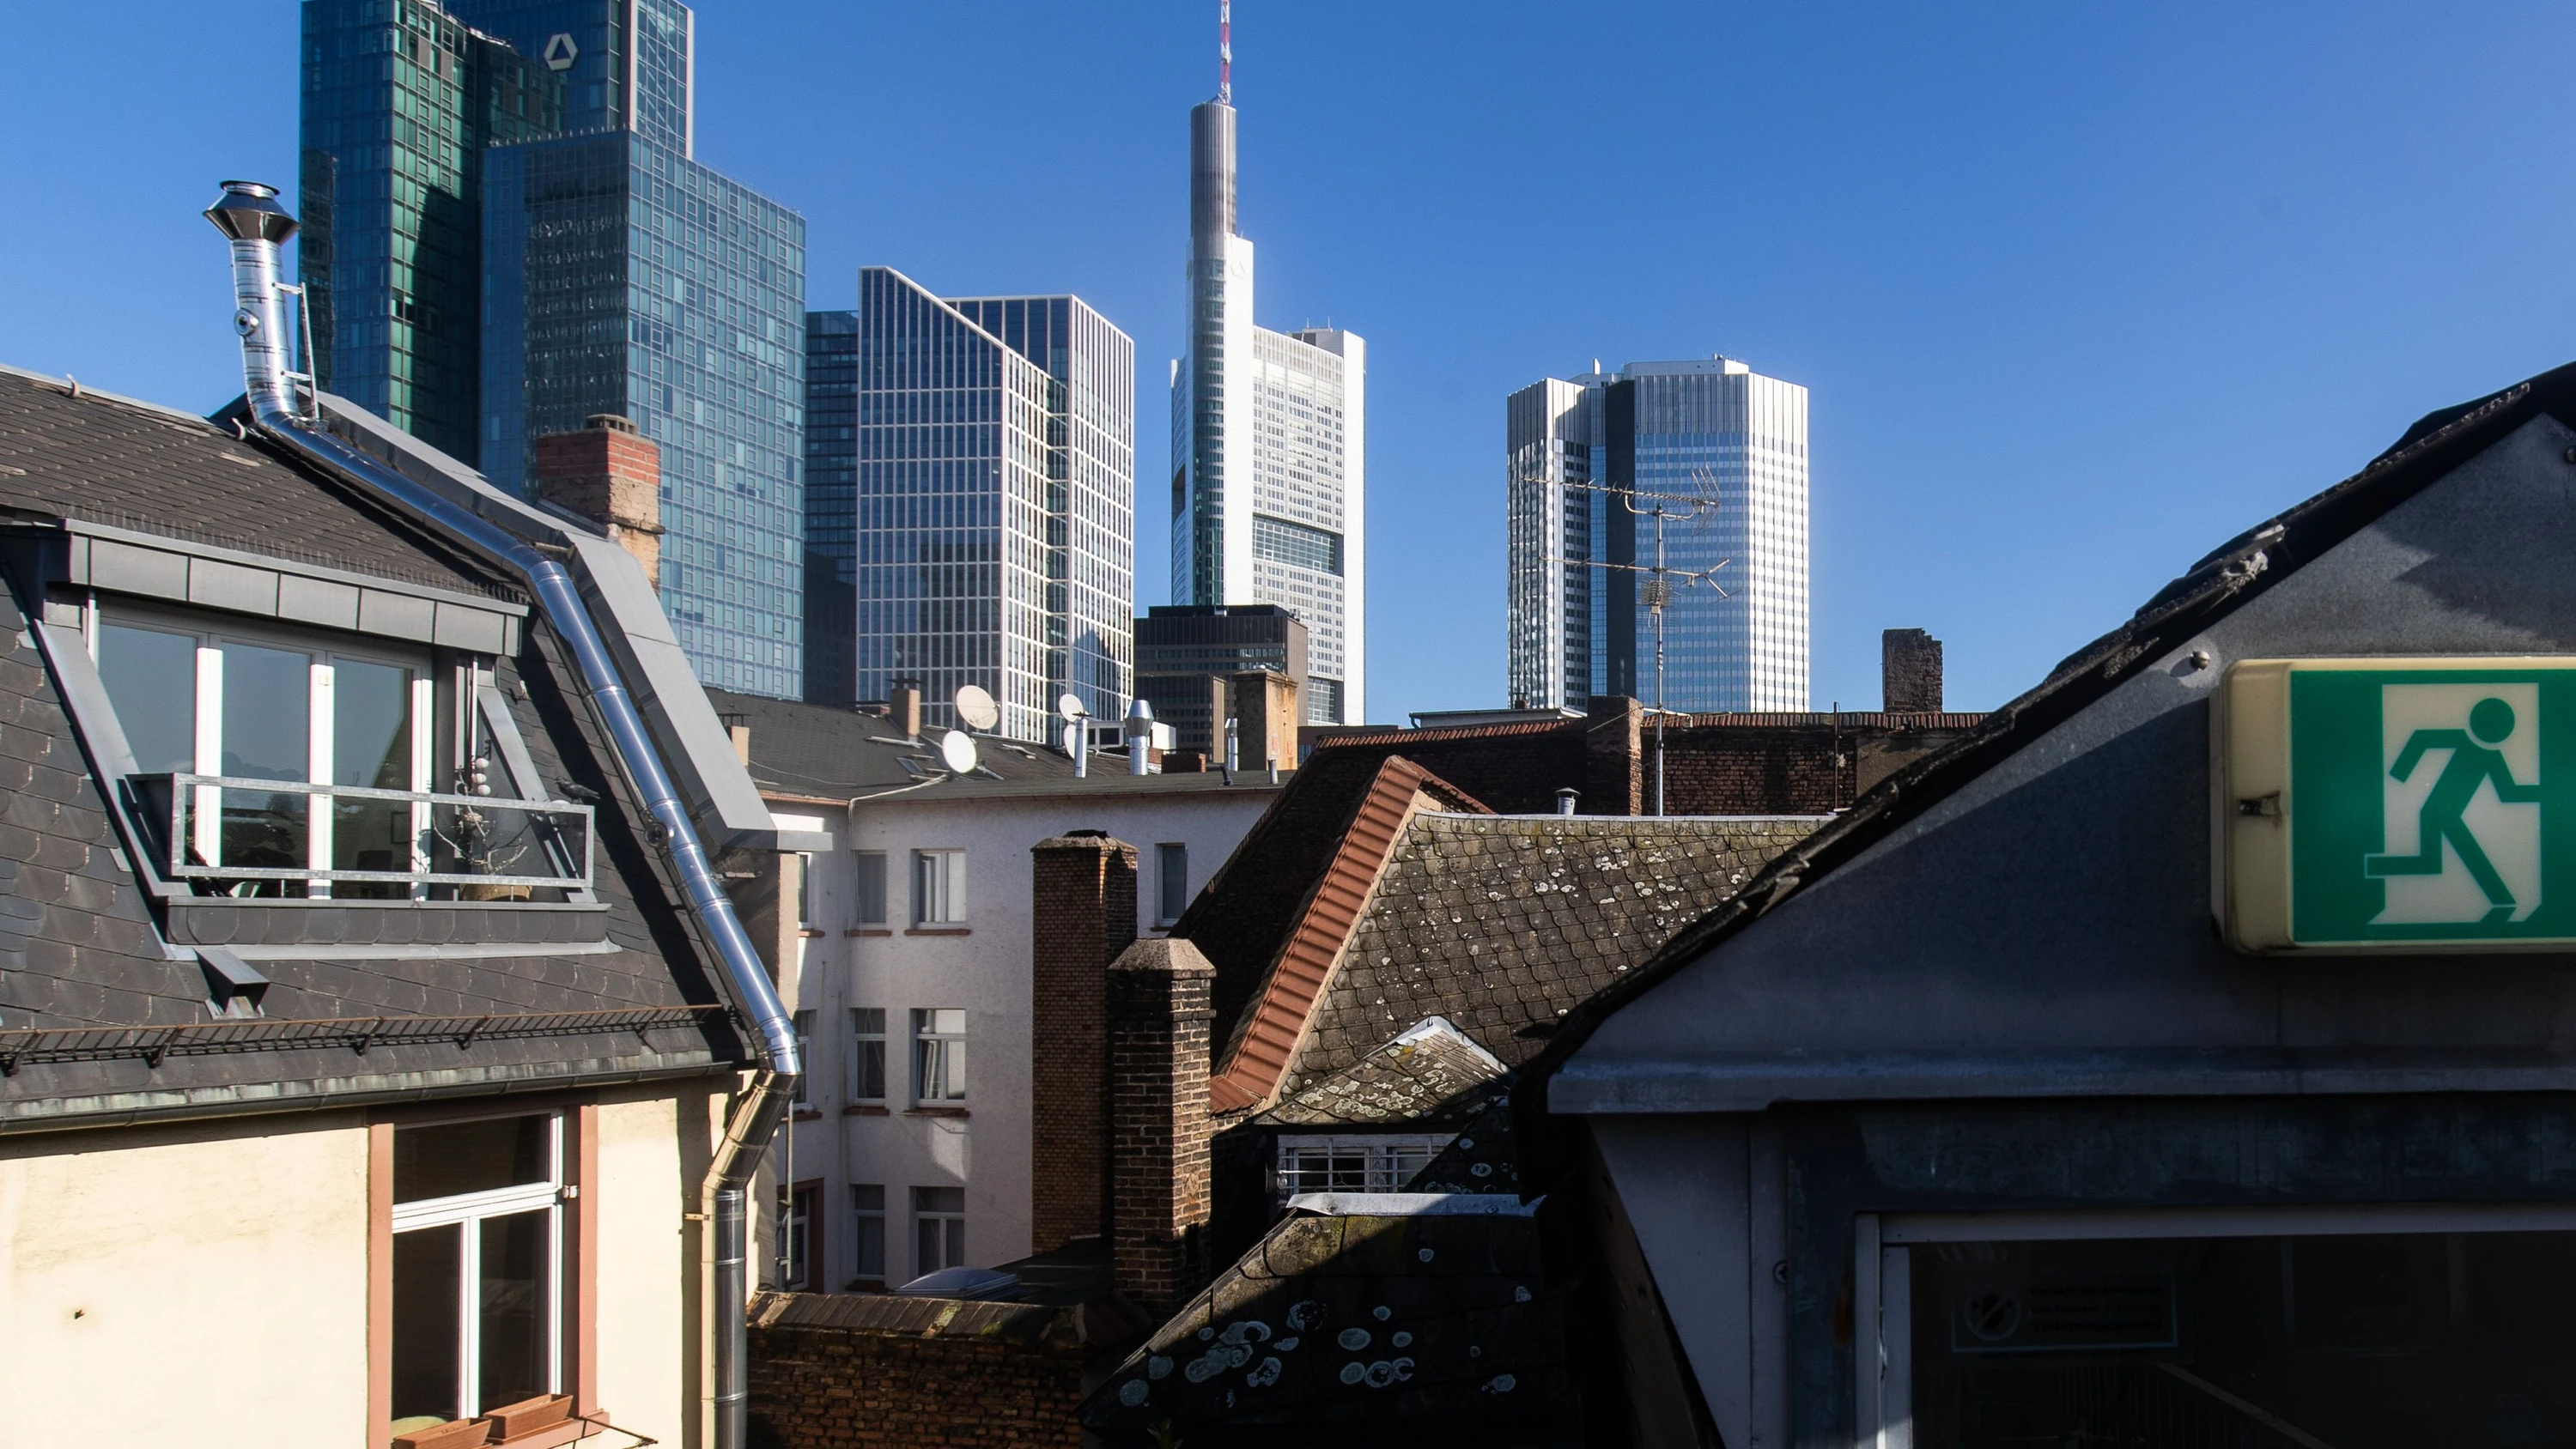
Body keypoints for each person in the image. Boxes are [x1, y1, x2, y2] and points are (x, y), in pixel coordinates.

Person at [2364, 695, 2540, 919]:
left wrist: (2543, 791)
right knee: (2440, 859)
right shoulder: (2465, 741)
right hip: (2439, 813)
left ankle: (2372, 868)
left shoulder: (2492, 757)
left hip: (2441, 814)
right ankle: (2502, 900)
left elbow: (2509, 792)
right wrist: (2400, 771)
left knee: (2428, 861)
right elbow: (2422, 739)